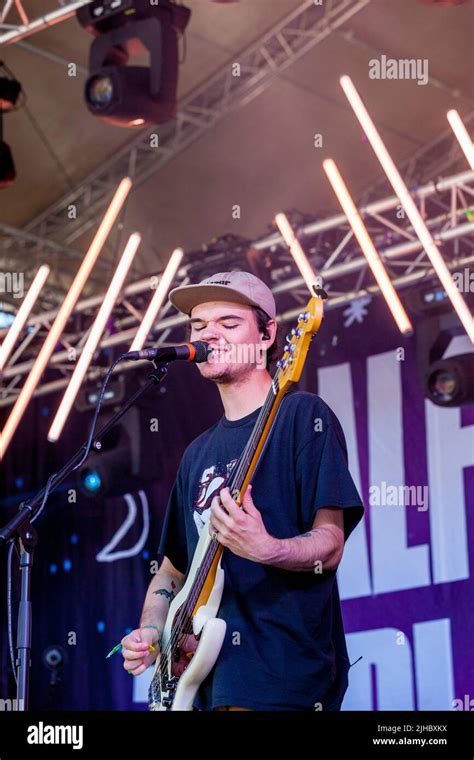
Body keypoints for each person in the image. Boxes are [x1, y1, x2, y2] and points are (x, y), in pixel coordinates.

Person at [120, 270, 364, 711]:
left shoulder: (302, 417)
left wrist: (266, 547)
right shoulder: (196, 454)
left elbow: (330, 545)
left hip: (281, 681)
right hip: (204, 690)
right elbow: (171, 572)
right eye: (198, 326)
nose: (208, 333)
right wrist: (155, 632)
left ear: (268, 334)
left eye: (228, 323)